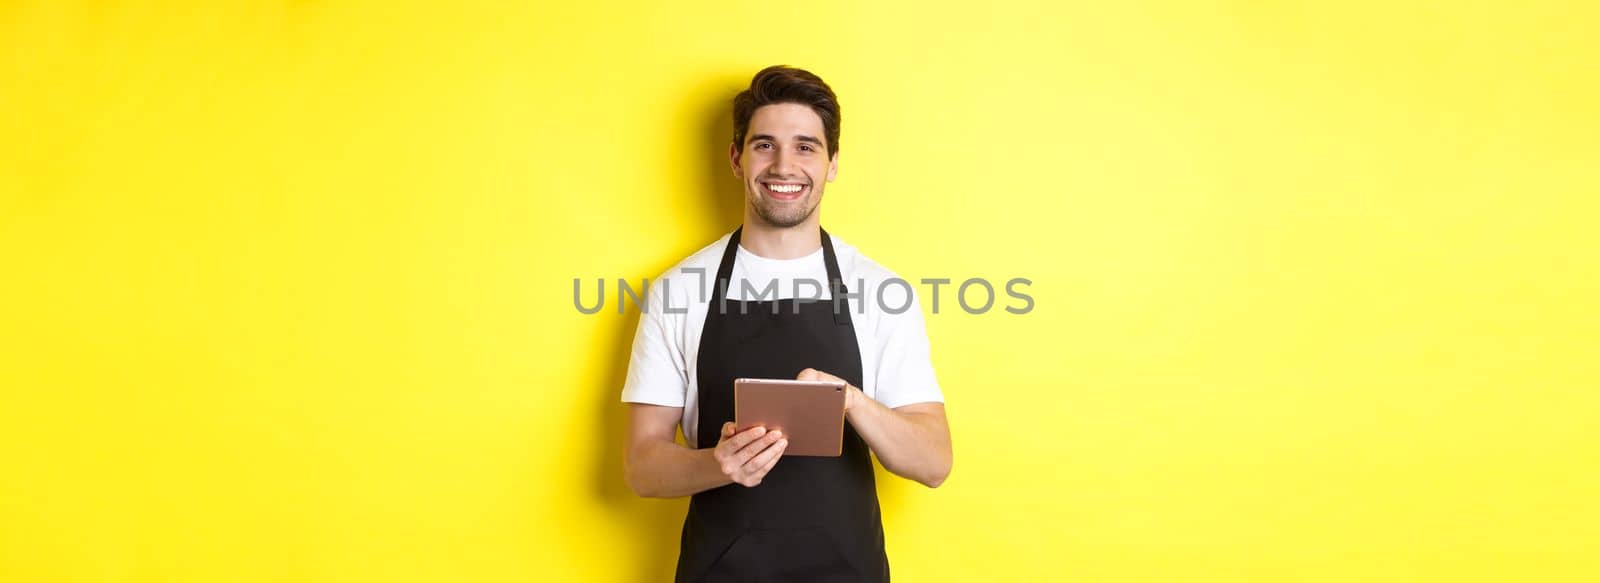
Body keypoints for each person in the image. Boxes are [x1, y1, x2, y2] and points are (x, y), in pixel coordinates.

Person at [621, 65, 952, 583]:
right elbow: (642, 465)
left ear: (832, 163)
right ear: (736, 158)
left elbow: (933, 463)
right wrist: (719, 464)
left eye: (805, 147)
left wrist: (851, 400)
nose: (783, 165)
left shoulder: (882, 292)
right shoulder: (678, 290)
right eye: (764, 145)